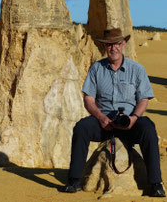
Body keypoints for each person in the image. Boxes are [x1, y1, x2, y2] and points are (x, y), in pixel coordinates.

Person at [64, 28, 166, 197]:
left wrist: (134, 118)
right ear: (105, 47)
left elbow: (143, 99)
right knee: (81, 127)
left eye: (117, 44)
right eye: (110, 45)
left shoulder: (137, 69)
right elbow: (88, 99)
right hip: (104, 121)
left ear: (123, 44)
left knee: (148, 128)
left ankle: (156, 183)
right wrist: (101, 117)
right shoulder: (96, 69)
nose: (113, 48)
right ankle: (74, 180)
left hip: (130, 121)